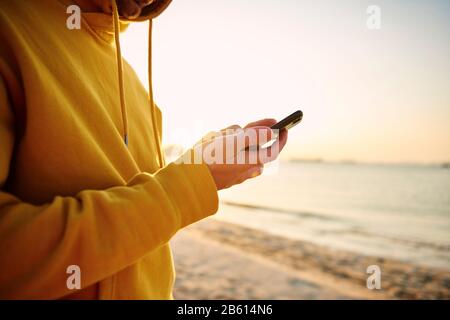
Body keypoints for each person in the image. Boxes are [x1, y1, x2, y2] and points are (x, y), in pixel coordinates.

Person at [0, 0, 287, 299]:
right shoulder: (9, 27)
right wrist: (190, 183)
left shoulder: (138, 88)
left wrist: (200, 160)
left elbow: (146, 224)